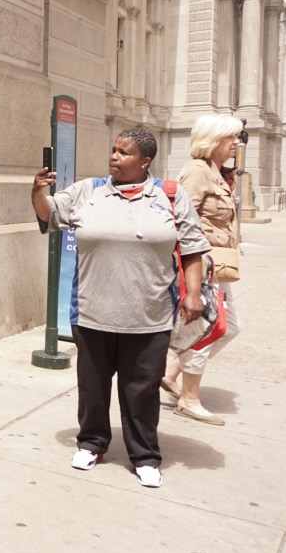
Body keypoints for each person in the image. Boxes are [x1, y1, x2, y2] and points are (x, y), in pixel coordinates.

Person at [31, 127, 209, 488]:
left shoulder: (170, 197)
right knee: (92, 386)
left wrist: (192, 294)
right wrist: (37, 190)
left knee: (141, 390)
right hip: (93, 313)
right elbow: (49, 214)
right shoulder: (88, 192)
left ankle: (145, 455)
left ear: (145, 161)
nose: (115, 157)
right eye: (113, 150)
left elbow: (191, 249)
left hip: (149, 316)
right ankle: (92, 443)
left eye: (124, 153)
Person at [161, 114, 243, 425]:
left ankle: (171, 373)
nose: (236, 142)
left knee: (229, 327)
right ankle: (189, 398)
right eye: (230, 137)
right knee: (202, 329)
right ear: (212, 139)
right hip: (201, 266)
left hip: (219, 266)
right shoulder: (197, 171)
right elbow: (181, 220)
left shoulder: (218, 172)